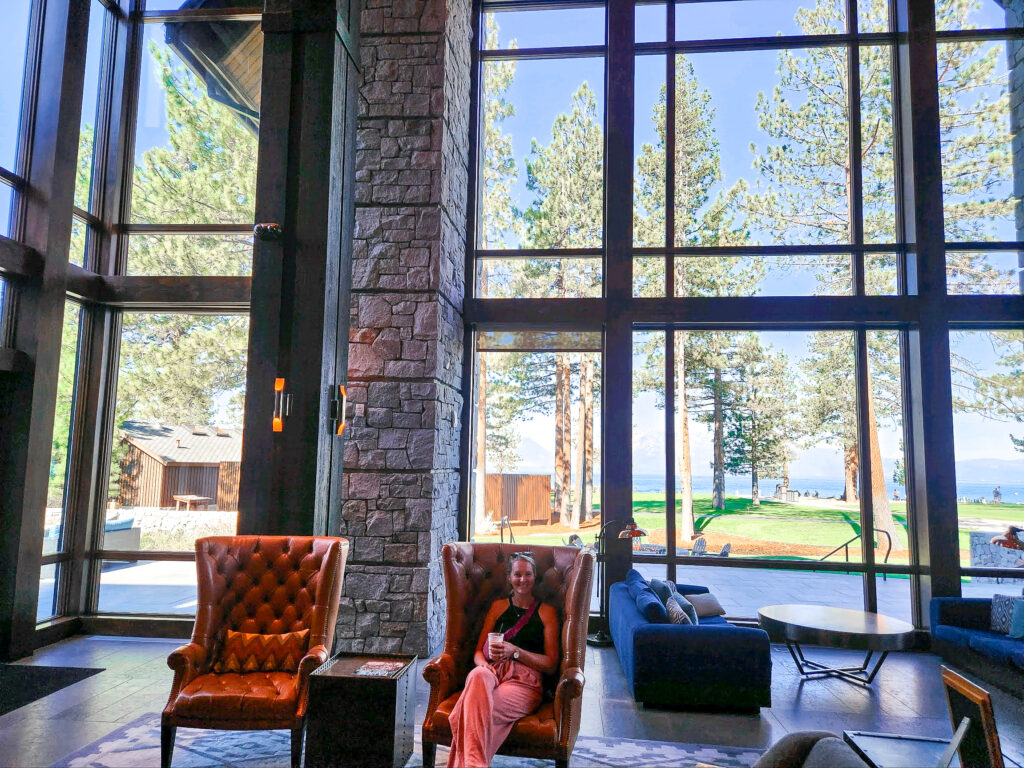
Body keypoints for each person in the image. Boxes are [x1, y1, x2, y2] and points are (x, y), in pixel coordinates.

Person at [447, 552, 560, 768]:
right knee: (478, 674)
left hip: (524, 682)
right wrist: (485, 667)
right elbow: (479, 653)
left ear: (534, 577)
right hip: (493, 672)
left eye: (528, 574)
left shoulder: (546, 612)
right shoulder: (498, 607)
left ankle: (472, 764)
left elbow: (551, 663)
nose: (522, 579)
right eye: (517, 574)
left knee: (470, 712)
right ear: (509, 577)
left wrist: (515, 651)